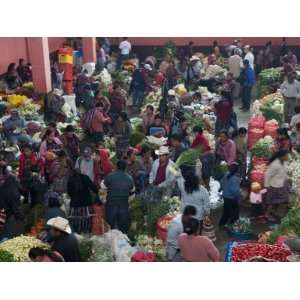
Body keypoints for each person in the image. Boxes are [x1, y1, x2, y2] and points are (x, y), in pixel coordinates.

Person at [103, 160, 135, 233]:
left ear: (116, 167)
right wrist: (127, 202)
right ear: (125, 168)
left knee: (109, 227)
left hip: (111, 204)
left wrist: (104, 201)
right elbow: (132, 194)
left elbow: (102, 189)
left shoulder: (110, 176)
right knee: (123, 228)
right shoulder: (130, 179)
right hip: (123, 206)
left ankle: (110, 242)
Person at [67, 168, 99, 233]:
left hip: (75, 205)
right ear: (81, 172)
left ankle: (77, 233)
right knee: (87, 221)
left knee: (75, 222)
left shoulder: (70, 179)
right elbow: (94, 188)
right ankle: (86, 233)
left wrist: (73, 197)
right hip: (86, 204)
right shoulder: (85, 178)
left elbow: (69, 192)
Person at [0, 162, 24, 240]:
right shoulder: (10, 181)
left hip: (5, 210)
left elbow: (13, 199)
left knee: (5, 229)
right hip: (6, 210)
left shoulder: (8, 183)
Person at [264, 150, 290, 222]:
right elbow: (267, 175)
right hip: (274, 186)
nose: (288, 157)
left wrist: (288, 178)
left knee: (284, 201)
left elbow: (284, 173)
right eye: (286, 155)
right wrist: (267, 186)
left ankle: (277, 214)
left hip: (282, 185)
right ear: (282, 157)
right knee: (271, 202)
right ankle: (267, 215)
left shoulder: (284, 163)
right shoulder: (275, 164)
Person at [219, 162, 240, 226]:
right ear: (237, 170)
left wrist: (224, 189)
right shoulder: (235, 178)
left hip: (225, 197)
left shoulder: (226, 174)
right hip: (232, 198)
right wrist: (239, 193)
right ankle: (233, 225)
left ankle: (221, 224)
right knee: (234, 213)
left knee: (226, 212)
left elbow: (221, 182)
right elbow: (235, 191)